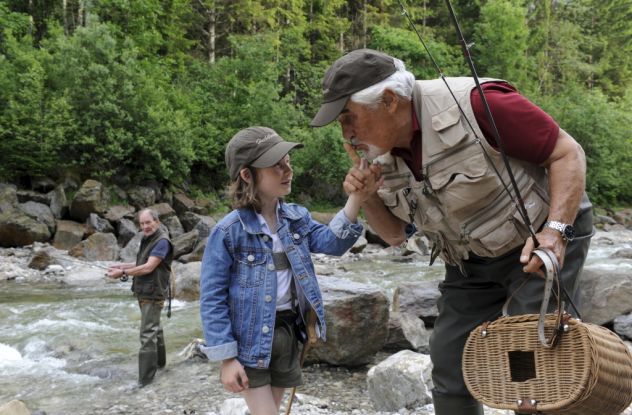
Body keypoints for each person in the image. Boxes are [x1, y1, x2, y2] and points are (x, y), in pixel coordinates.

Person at [311, 49, 593, 415]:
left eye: (349, 118)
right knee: (449, 360)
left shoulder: (478, 104)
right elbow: (395, 235)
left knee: (531, 363)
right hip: (469, 260)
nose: (346, 133)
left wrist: (555, 232)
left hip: (538, 240)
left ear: (390, 101)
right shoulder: (377, 156)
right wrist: (366, 197)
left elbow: (567, 153)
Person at [199, 126, 365, 415]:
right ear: (247, 175)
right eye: (276, 165)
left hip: (288, 334)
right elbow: (211, 297)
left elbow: (333, 243)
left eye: (287, 161)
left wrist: (358, 196)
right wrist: (226, 358)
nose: (287, 170)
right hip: (249, 343)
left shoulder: (296, 218)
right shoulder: (227, 232)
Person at [107, 208, 173, 387]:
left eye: (148, 222)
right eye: (142, 223)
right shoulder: (148, 238)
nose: (145, 226)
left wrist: (123, 272)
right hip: (146, 291)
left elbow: (149, 267)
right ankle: (160, 366)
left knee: (147, 335)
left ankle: (145, 380)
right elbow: (141, 263)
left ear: (157, 222)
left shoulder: (162, 241)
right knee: (155, 329)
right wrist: (121, 265)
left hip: (153, 292)